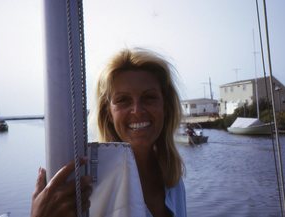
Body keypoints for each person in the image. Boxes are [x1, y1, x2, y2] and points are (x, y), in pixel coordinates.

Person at [31, 48, 187, 217]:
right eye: (123, 100)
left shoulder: (172, 177)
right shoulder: (84, 184)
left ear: (165, 107)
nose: (137, 110)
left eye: (149, 97)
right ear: (108, 114)